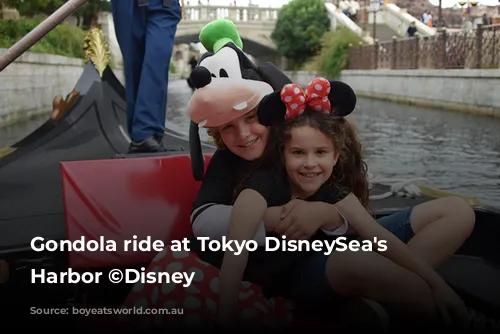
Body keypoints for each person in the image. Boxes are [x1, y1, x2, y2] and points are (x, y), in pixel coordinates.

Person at [188, 77, 477, 329]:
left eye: (251, 118)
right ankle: (402, 294)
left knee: (457, 211)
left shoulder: (318, 160)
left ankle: (387, 294)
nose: (310, 163)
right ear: (285, 152)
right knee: (379, 271)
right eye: (298, 153)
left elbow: (372, 231)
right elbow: (232, 249)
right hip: (298, 271)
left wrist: (326, 215)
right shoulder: (257, 186)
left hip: (342, 245)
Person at [110, 0, 182, 153]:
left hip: (163, 4)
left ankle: (145, 132)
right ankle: (141, 135)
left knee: (157, 58)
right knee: (133, 66)